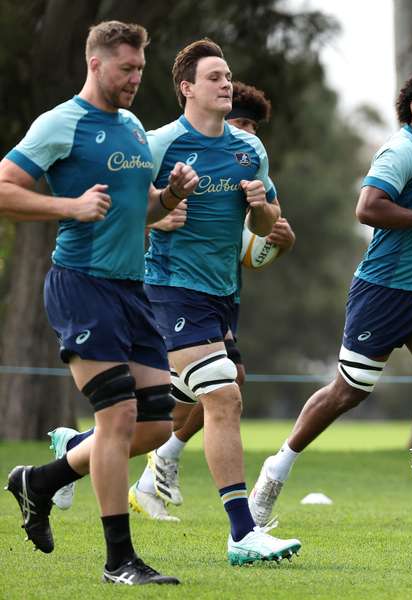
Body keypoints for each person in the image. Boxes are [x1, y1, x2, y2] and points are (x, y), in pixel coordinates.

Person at [248, 73, 412, 539]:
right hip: (383, 292)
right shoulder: (402, 149)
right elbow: (367, 208)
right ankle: (277, 467)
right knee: (348, 391)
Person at [0, 21, 195, 584]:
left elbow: (145, 213)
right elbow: (5, 187)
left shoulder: (133, 127)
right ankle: (119, 561)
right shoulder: (61, 123)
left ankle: (40, 480)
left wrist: (171, 195)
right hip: (81, 285)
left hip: (131, 291)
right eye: (126, 68)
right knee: (117, 417)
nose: (136, 78)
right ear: (95, 64)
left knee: (158, 423)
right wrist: (69, 207)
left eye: (139, 68)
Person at [140, 39, 300, 564]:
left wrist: (259, 210)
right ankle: (242, 533)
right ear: (187, 88)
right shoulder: (160, 142)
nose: (226, 83)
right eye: (214, 77)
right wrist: (160, 210)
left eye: (228, 75)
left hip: (222, 293)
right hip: (169, 286)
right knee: (225, 394)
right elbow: (119, 207)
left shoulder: (248, 149)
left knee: (160, 414)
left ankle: (68, 454)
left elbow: (263, 223)